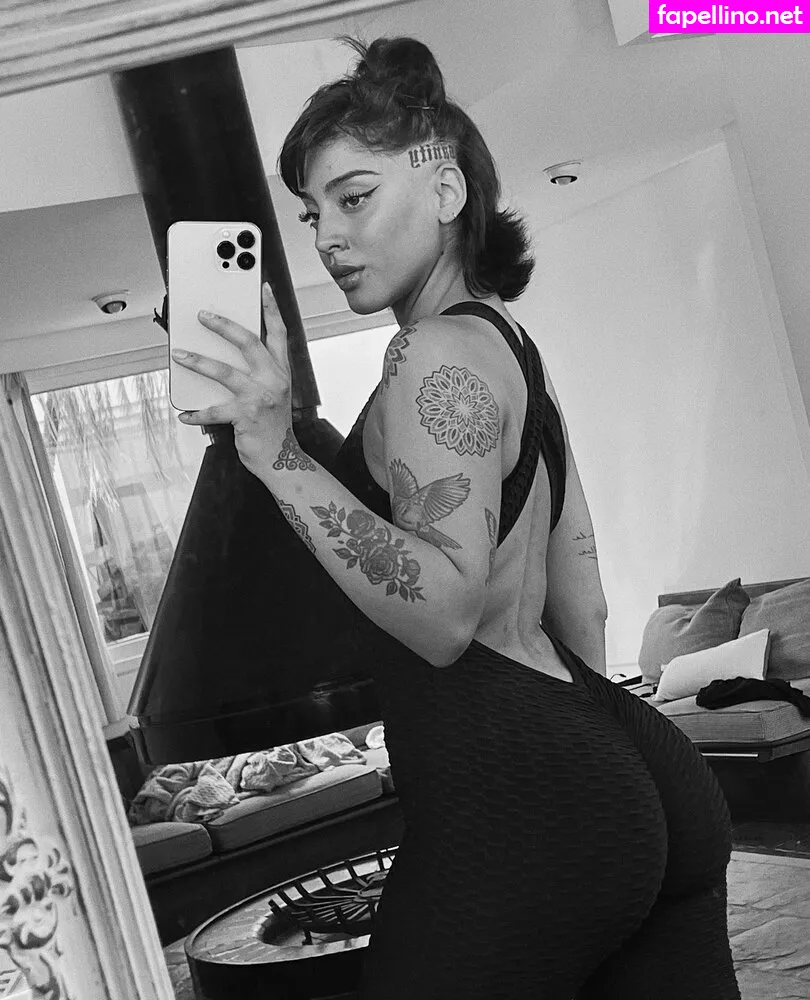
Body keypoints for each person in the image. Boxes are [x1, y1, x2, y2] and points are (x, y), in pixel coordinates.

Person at [171, 35, 741, 1000]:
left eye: (354, 197)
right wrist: (602, 774)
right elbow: (585, 602)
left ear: (445, 190)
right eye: (311, 214)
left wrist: (274, 451)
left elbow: (442, 616)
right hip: (627, 760)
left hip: (525, 793)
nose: (327, 237)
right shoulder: (512, 349)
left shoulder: (427, 354)